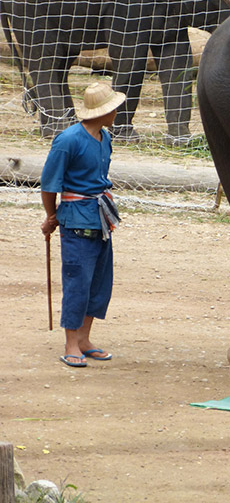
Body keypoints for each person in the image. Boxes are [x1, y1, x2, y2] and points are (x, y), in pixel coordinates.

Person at [41, 82, 125, 367]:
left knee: (99, 283)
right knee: (77, 282)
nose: (116, 111)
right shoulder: (68, 141)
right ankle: (70, 343)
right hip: (75, 221)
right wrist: (51, 217)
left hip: (101, 219)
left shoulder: (106, 137)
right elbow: (49, 184)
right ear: (101, 111)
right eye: (112, 107)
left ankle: (85, 339)